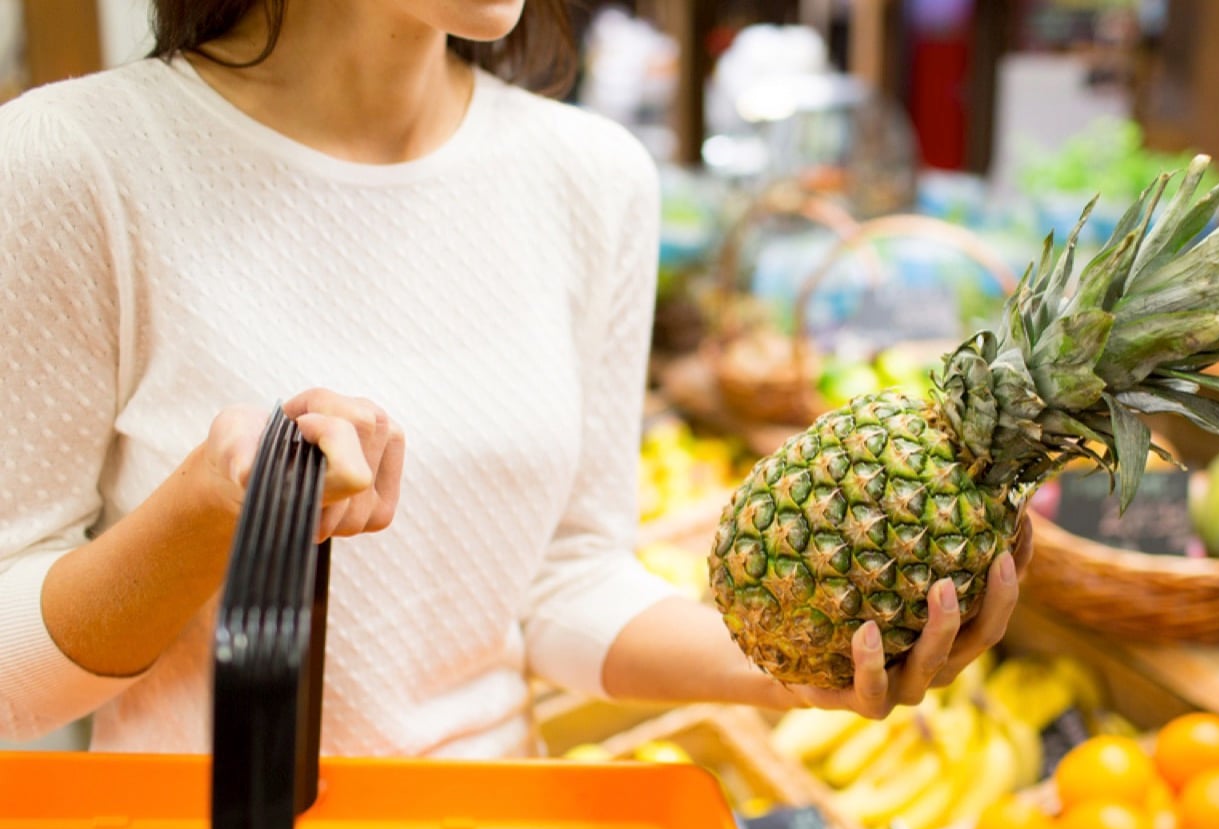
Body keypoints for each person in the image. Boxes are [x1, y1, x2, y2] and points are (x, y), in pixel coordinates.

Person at [0, 0, 1030, 755]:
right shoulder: (76, 162)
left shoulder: (593, 179)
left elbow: (565, 580)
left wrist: (811, 671)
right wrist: (201, 517)